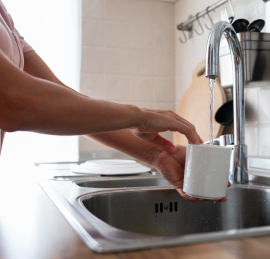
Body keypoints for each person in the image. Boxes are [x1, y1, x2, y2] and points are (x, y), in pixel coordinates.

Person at [0, 1, 226, 202]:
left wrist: (155, 154)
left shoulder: (5, 19)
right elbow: (17, 102)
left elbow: (64, 99)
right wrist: (139, 116)